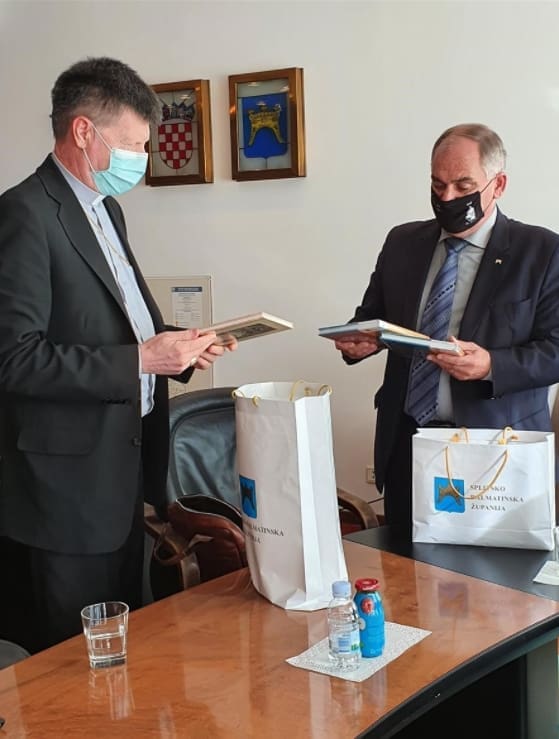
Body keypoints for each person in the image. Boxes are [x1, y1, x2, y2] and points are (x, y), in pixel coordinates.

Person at [0, 57, 237, 653]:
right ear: (84, 131)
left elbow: (123, 325)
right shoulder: (24, 214)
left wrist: (181, 347)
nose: (142, 158)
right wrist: (141, 361)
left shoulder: (107, 208)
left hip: (124, 477)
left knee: (125, 655)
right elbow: (15, 359)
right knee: (70, 667)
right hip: (64, 496)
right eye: (133, 145)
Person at [334, 123, 559, 534]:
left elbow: (556, 350)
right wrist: (359, 341)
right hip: (408, 442)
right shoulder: (402, 242)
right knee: (403, 564)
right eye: (437, 185)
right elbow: (373, 315)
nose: (448, 198)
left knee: (490, 573)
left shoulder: (542, 251)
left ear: (498, 185)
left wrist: (491, 365)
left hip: (495, 451)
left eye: (463, 185)